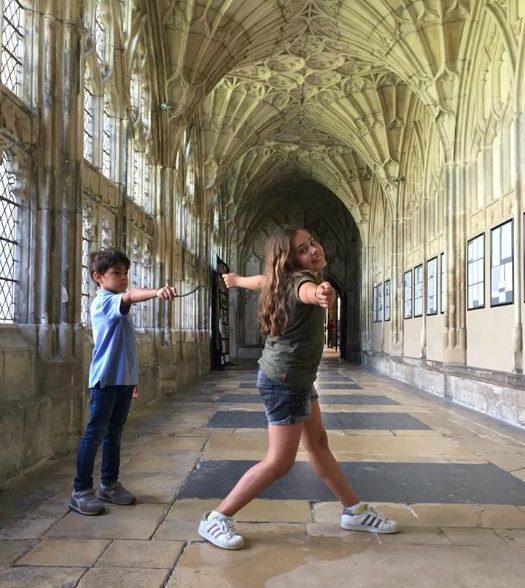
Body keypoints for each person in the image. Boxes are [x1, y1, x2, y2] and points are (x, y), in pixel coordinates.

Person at [198, 227, 400, 549]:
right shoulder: (301, 283)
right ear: (291, 261)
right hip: (285, 381)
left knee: (318, 444)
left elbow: (260, 280)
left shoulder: (279, 279)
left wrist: (236, 281)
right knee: (279, 461)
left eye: (313, 243)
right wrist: (321, 294)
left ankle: (354, 511)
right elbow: (307, 292)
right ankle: (216, 518)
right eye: (304, 250)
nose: (314, 250)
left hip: (297, 379)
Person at [70, 249, 176, 515]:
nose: (123, 278)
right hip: (105, 381)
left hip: (122, 382)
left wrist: (132, 379)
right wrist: (156, 292)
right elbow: (129, 297)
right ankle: (80, 491)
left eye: (125, 273)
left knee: (114, 435)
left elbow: (125, 348)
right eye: (116, 273)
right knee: (94, 434)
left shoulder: (118, 305)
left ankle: (109, 484)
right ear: (98, 277)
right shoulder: (104, 302)